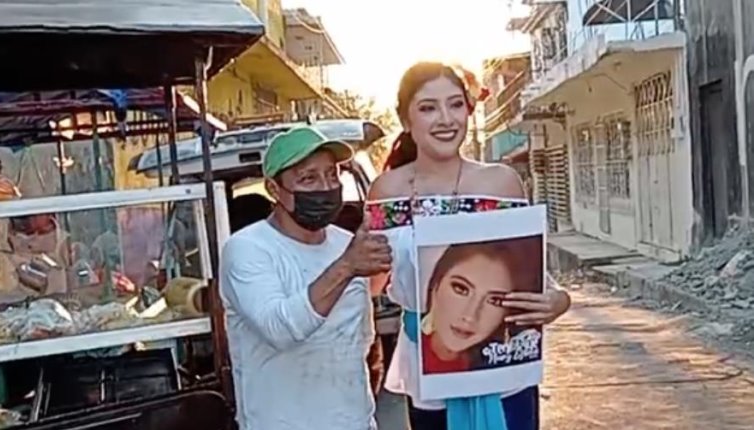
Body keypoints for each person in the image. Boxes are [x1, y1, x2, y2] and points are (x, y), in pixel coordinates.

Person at [366, 62, 571, 430]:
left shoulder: (501, 182)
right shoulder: (387, 191)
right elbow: (373, 283)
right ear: (406, 119)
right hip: (430, 372)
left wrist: (558, 298)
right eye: (428, 108)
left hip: (503, 364)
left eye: (456, 104)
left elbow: (528, 269)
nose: (446, 119)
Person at [219, 126, 392, 430]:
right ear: (274, 189)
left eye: (332, 174)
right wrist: (346, 267)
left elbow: (361, 339)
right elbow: (280, 328)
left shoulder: (345, 243)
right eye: (308, 178)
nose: (325, 187)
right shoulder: (247, 249)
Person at [420, 238, 542, 375]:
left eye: (495, 300)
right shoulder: (412, 347)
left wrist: (558, 303)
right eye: (460, 289)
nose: (470, 316)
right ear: (436, 286)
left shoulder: (506, 365)